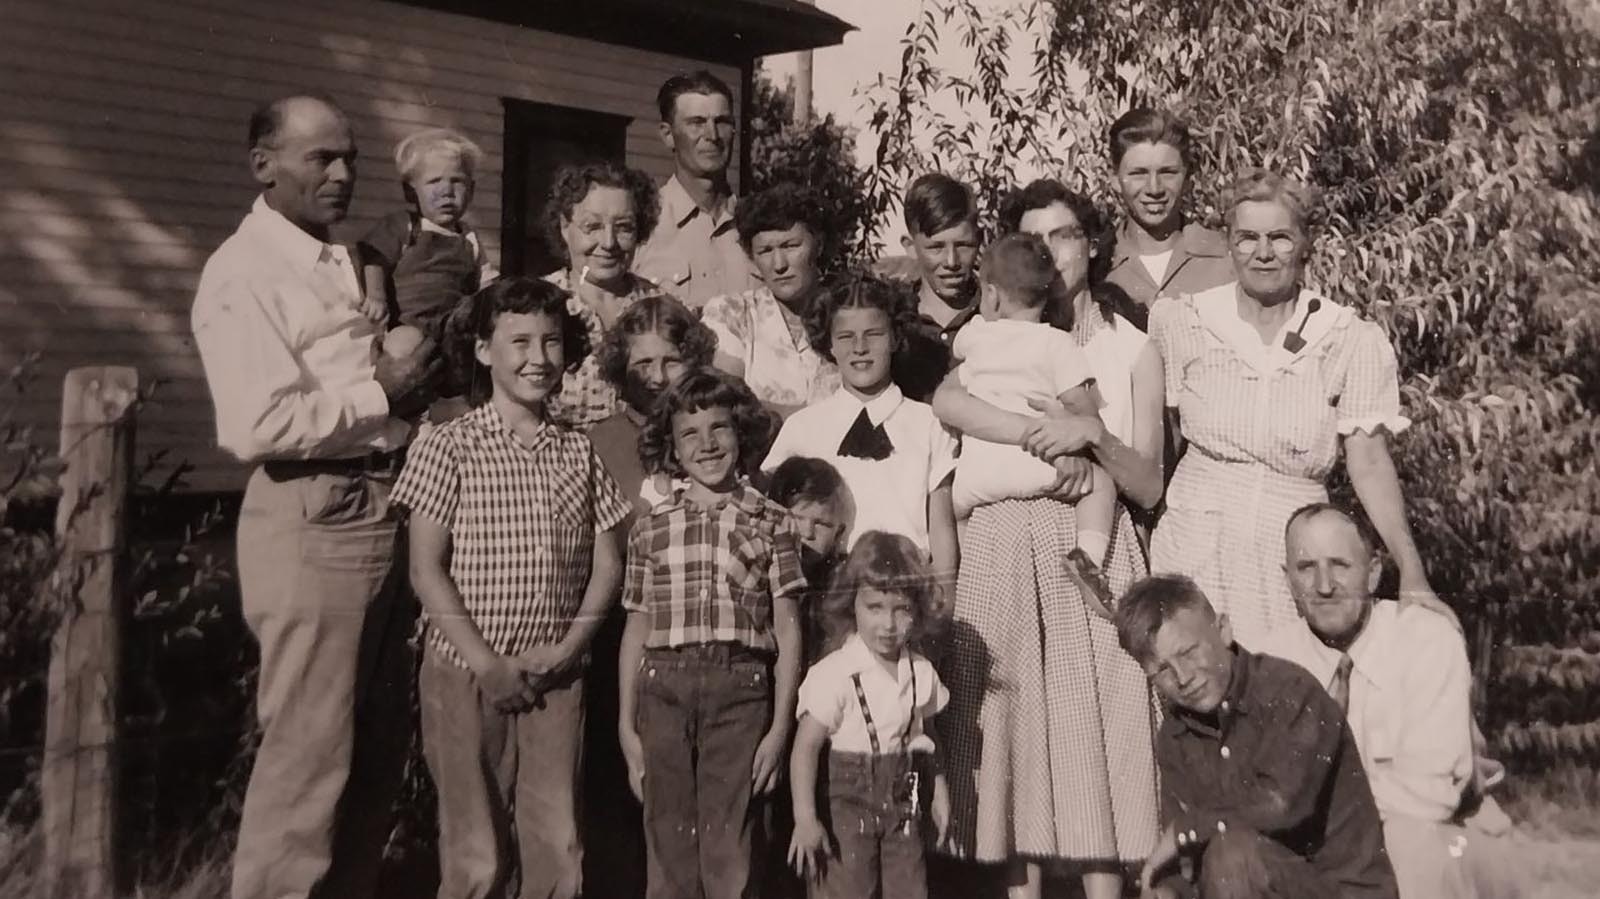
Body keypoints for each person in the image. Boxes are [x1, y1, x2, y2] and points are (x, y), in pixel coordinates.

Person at [191, 93, 436, 899]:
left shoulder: (332, 257)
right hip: (311, 511)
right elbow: (259, 423)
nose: (341, 174)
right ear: (263, 164)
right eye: (318, 158)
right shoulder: (243, 273)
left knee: (372, 752)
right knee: (308, 755)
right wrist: (383, 393)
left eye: (350, 158)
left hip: (380, 501)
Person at [929, 185, 1163, 899]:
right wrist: (1036, 440)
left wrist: (1086, 442)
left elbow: (1145, 478)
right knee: (1007, 719)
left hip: (1078, 543)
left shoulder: (1129, 345)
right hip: (1001, 536)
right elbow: (949, 401)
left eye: (1065, 235)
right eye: (1037, 239)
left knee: (1093, 720)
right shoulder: (1021, 343)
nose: (1053, 253)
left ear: (1089, 244)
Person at [391, 277, 631, 899]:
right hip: (469, 672)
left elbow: (607, 563)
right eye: (519, 341)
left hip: (556, 672)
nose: (538, 358)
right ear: (481, 351)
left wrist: (570, 649)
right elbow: (426, 570)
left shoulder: (578, 452)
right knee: (476, 847)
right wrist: (486, 664)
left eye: (551, 342)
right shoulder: (448, 445)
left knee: (558, 840)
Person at [1147, 168, 1448, 649]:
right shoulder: (1184, 321)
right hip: (1194, 544)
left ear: (1305, 245)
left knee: (1286, 693)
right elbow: (1164, 439)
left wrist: (1411, 569)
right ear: (1229, 244)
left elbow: (1368, 462)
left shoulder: (1347, 338)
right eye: (1247, 238)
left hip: (1291, 557)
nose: (1263, 253)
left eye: (1280, 238)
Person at [1259, 504, 1515, 899]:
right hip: (1331, 846)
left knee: (1409, 844)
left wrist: (1319, 802)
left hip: (1446, 840)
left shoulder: (1426, 638)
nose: (1324, 585)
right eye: (1306, 567)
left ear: (1375, 572)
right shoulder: (1270, 660)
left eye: (1340, 565)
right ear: (1288, 580)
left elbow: (1432, 795)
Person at [617, 369, 806, 899]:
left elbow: (788, 633)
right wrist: (626, 727)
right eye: (690, 434)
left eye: (719, 428)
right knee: (669, 839)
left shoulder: (772, 521)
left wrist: (778, 730)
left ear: (740, 434)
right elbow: (636, 629)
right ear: (672, 449)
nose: (707, 445)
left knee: (733, 843)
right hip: (662, 686)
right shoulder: (651, 527)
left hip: (739, 689)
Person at [1115, 573, 1399, 899]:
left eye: (1189, 652)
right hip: (1249, 886)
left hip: (1341, 890)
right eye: (1162, 671)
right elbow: (1187, 862)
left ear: (1222, 630)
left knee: (1233, 857)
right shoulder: (1175, 736)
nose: (1182, 677)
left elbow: (1282, 806)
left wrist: (1186, 830)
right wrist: (1168, 891)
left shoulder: (1289, 691)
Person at [583, 293, 720, 899]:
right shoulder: (597, 439)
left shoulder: (714, 431)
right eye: (642, 365)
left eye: (671, 361)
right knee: (621, 789)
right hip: (624, 629)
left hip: (703, 634)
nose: (659, 378)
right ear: (620, 370)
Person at [762, 271, 960, 581]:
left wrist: (944, 599)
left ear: (895, 338)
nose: (860, 347)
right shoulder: (802, 428)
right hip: (826, 587)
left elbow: (942, 526)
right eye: (845, 337)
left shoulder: (929, 424)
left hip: (907, 586)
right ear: (829, 344)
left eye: (874, 334)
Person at [788, 531, 953, 899]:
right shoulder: (835, 672)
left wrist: (939, 792)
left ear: (918, 610)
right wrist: (805, 817)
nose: (888, 624)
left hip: (902, 802)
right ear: (853, 606)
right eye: (874, 607)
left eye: (901, 610)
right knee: (848, 889)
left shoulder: (920, 671)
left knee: (909, 888)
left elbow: (927, 737)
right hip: (846, 805)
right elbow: (806, 748)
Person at [941, 233, 1115, 566]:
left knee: (959, 515)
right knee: (1102, 485)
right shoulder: (1057, 343)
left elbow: (959, 352)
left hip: (975, 476)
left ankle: (965, 575)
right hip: (1038, 467)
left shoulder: (975, 335)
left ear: (991, 296)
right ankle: (1089, 559)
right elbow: (1084, 413)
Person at [541, 160, 671, 429]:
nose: (609, 243)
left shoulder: (660, 306)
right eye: (593, 227)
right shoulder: (539, 304)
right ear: (565, 228)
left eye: (623, 227)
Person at [702, 182, 842, 413]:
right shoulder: (732, 315)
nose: (779, 265)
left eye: (790, 246)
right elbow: (723, 404)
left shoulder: (848, 313)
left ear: (818, 244)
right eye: (765, 251)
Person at [633, 70, 759, 308]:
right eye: (697, 123)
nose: (712, 135)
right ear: (668, 135)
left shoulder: (756, 225)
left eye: (722, 122)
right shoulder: (643, 224)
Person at [1102, 109, 1232, 320]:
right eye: (1138, 173)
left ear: (1188, 178)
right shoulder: (1098, 266)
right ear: (1115, 179)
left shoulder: (1227, 255)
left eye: (1168, 172)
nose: (1154, 189)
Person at [887, 173, 983, 402]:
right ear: (910, 247)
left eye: (963, 245)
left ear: (979, 240)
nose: (951, 262)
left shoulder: (999, 312)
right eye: (935, 247)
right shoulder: (893, 318)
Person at [765, 456, 850, 664]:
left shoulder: (836, 586)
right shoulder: (761, 572)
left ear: (838, 534)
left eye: (821, 523)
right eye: (797, 518)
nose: (808, 533)